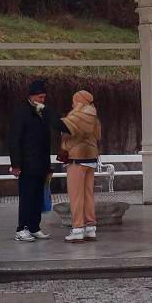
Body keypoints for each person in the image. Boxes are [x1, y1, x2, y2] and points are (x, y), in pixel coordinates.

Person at [54, 90, 101, 243]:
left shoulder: (80, 114)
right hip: (91, 158)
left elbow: (63, 126)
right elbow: (98, 135)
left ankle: (78, 229)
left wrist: (46, 112)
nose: (73, 104)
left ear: (80, 101)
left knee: (76, 196)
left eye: (74, 101)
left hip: (77, 159)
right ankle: (90, 228)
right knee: (88, 195)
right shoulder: (93, 115)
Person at [8, 79, 53, 242]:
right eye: (40, 97)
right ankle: (22, 228)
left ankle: (34, 227)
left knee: (37, 196)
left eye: (44, 97)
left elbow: (46, 141)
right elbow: (14, 139)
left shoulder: (42, 113)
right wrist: (15, 164)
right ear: (32, 96)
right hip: (27, 163)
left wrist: (48, 166)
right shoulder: (21, 112)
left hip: (41, 163)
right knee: (26, 196)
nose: (42, 100)